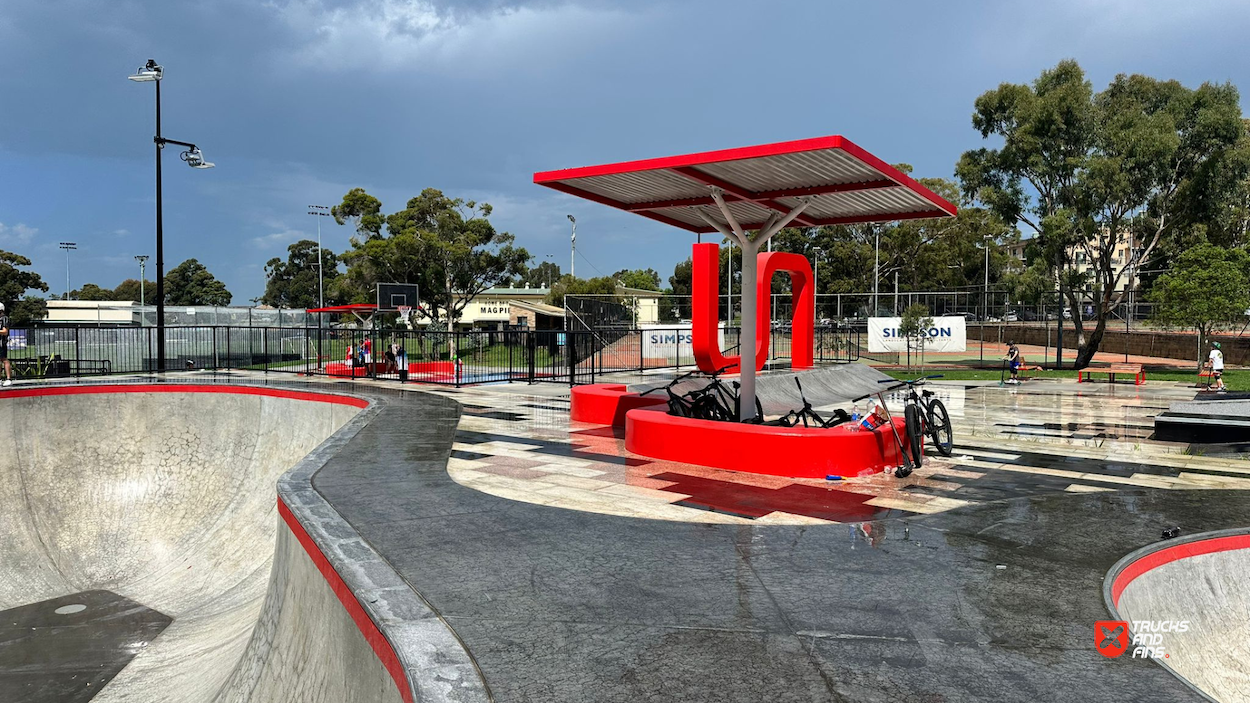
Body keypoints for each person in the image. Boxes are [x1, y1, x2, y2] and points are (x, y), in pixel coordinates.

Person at [0, 303, 10, 387]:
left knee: (4, 360)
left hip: (1, 343)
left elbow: (5, 331)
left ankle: (8, 378)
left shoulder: (4, 319)